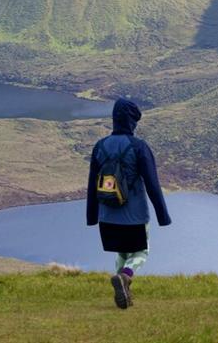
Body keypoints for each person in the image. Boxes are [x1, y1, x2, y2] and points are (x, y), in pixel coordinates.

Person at [86, 97, 171, 309]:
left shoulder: (100, 146)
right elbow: (152, 184)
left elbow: (91, 185)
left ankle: (124, 292)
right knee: (141, 252)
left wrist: (91, 217)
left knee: (122, 252)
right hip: (134, 214)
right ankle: (125, 277)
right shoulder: (139, 147)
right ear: (132, 121)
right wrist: (163, 216)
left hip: (107, 214)